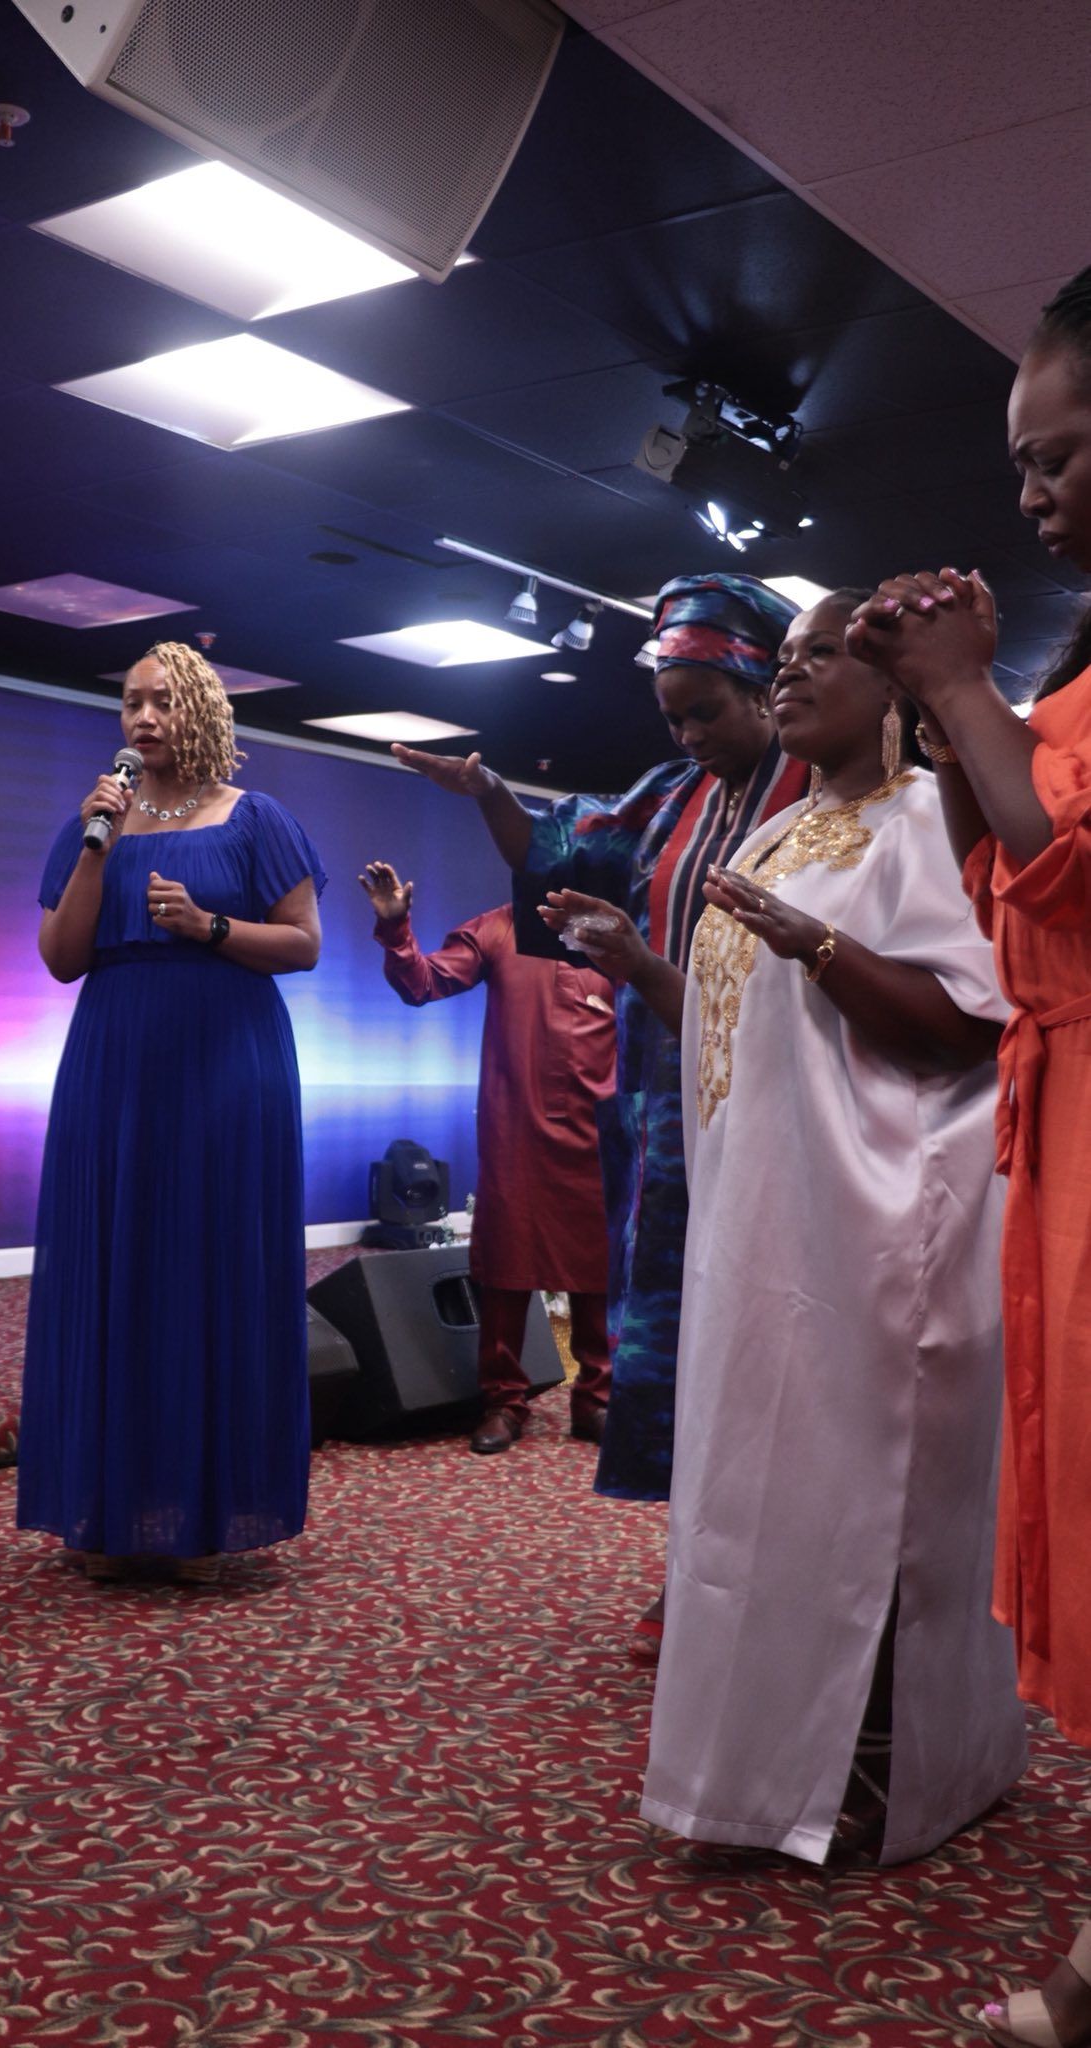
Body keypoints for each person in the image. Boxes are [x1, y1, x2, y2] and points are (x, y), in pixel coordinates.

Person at [634, 589, 1025, 1866]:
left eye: (821, 658)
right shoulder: (783, 828)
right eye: (785, 657)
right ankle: (756, 1764)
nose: (790, 675)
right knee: (759, 1493)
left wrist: (820, 947)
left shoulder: (927, 817)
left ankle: (878, 1765)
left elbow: (969, 1020)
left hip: (876, 1217)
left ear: (894, 685)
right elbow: (745, 1026)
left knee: (861, 1497)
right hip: (763, 1214)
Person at [392, 575, 810, 1631]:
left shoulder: (826, 786)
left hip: (800, 1101)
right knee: (689, 1337)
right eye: (671, 716)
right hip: (674, 1116)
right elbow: (568, 848)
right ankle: (702, 1575)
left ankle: (799, 1588)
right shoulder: (674, 796)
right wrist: (489, 791)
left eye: (704, 711)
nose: (688, 733)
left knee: (786, 1339)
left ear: (764, 685)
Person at [848, 267, 1091, 2040]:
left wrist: (962, 680)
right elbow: (999, 868)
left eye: (1059, 454)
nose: (1031, 494)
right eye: (1021, 463)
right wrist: (939, 706)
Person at [18, 642, 326, 1582]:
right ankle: (106, 1510)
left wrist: (209, 927)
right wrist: (91, 845)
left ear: (200, 712)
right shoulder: (91, 822)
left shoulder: (255, 818)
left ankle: (210, 1513)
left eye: (160, 703)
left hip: (228, 1067)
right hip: (112, 1062)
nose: (143, 720)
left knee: (207, 1267)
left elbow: (305, 945)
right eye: (130, 704)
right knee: (109, 1265)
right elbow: (62, 958)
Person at [358, 859, 615, 1452]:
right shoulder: (499, 928)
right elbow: (421, 983)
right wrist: (397, 928)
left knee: (600, 1269)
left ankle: (597, 1401)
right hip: (516, 1128)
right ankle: (504, 1402)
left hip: (600, 1130)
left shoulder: (613, 935)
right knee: (504, 1264)